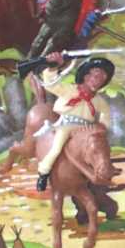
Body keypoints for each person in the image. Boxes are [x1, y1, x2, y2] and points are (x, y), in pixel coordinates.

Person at [35, 53, 115, 192]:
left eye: (103, 78)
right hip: (67, 126)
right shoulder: (70, 90)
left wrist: (101, 126)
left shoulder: (99, 101)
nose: (98, 81)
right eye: (96, 76)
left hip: (86, 129)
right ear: (86, 76)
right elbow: (51, 85)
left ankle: (102, 170)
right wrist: (53, 68)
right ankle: (44, 172)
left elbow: (105, 114)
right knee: (56, 148)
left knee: (99, 148)